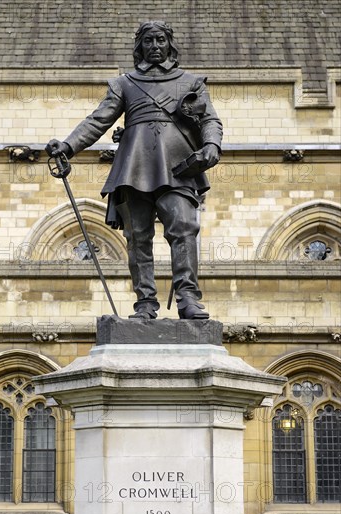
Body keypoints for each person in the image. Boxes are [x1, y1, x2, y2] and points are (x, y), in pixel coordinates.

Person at [46, 21, 223, 320]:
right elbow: (97, 121)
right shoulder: (124, 84)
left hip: (178, 166)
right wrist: (68, 145)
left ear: (170, 44)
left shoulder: (191, 82)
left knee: (184, 228)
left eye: (161, 40)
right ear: (140, 46)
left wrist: (212, 145)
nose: (155, 46)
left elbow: (210, 121)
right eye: (149, 41)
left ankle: (188, 297)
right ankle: (144, 303)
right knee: (138, 236)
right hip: (134, 166)